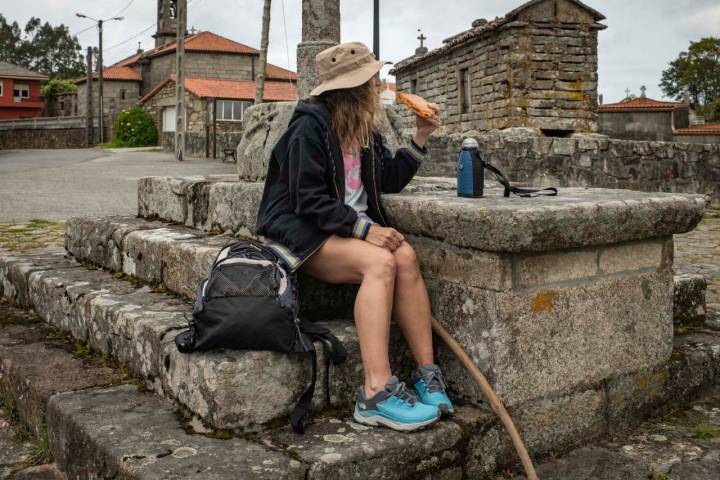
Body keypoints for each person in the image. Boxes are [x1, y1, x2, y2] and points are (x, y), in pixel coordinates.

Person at [256, 41, 453, 432]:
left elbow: (388, 179)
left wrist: (420, 137)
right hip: (303, 231)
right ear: (354, 88)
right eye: (374, 79)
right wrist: (365, 230)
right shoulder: (308, 127)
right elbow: (307, 200)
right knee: (381, 262)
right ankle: (375, 392)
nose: (381, 85)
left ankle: (427, 376)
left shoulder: (363, 129)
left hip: (348, 231)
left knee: (406, 258)